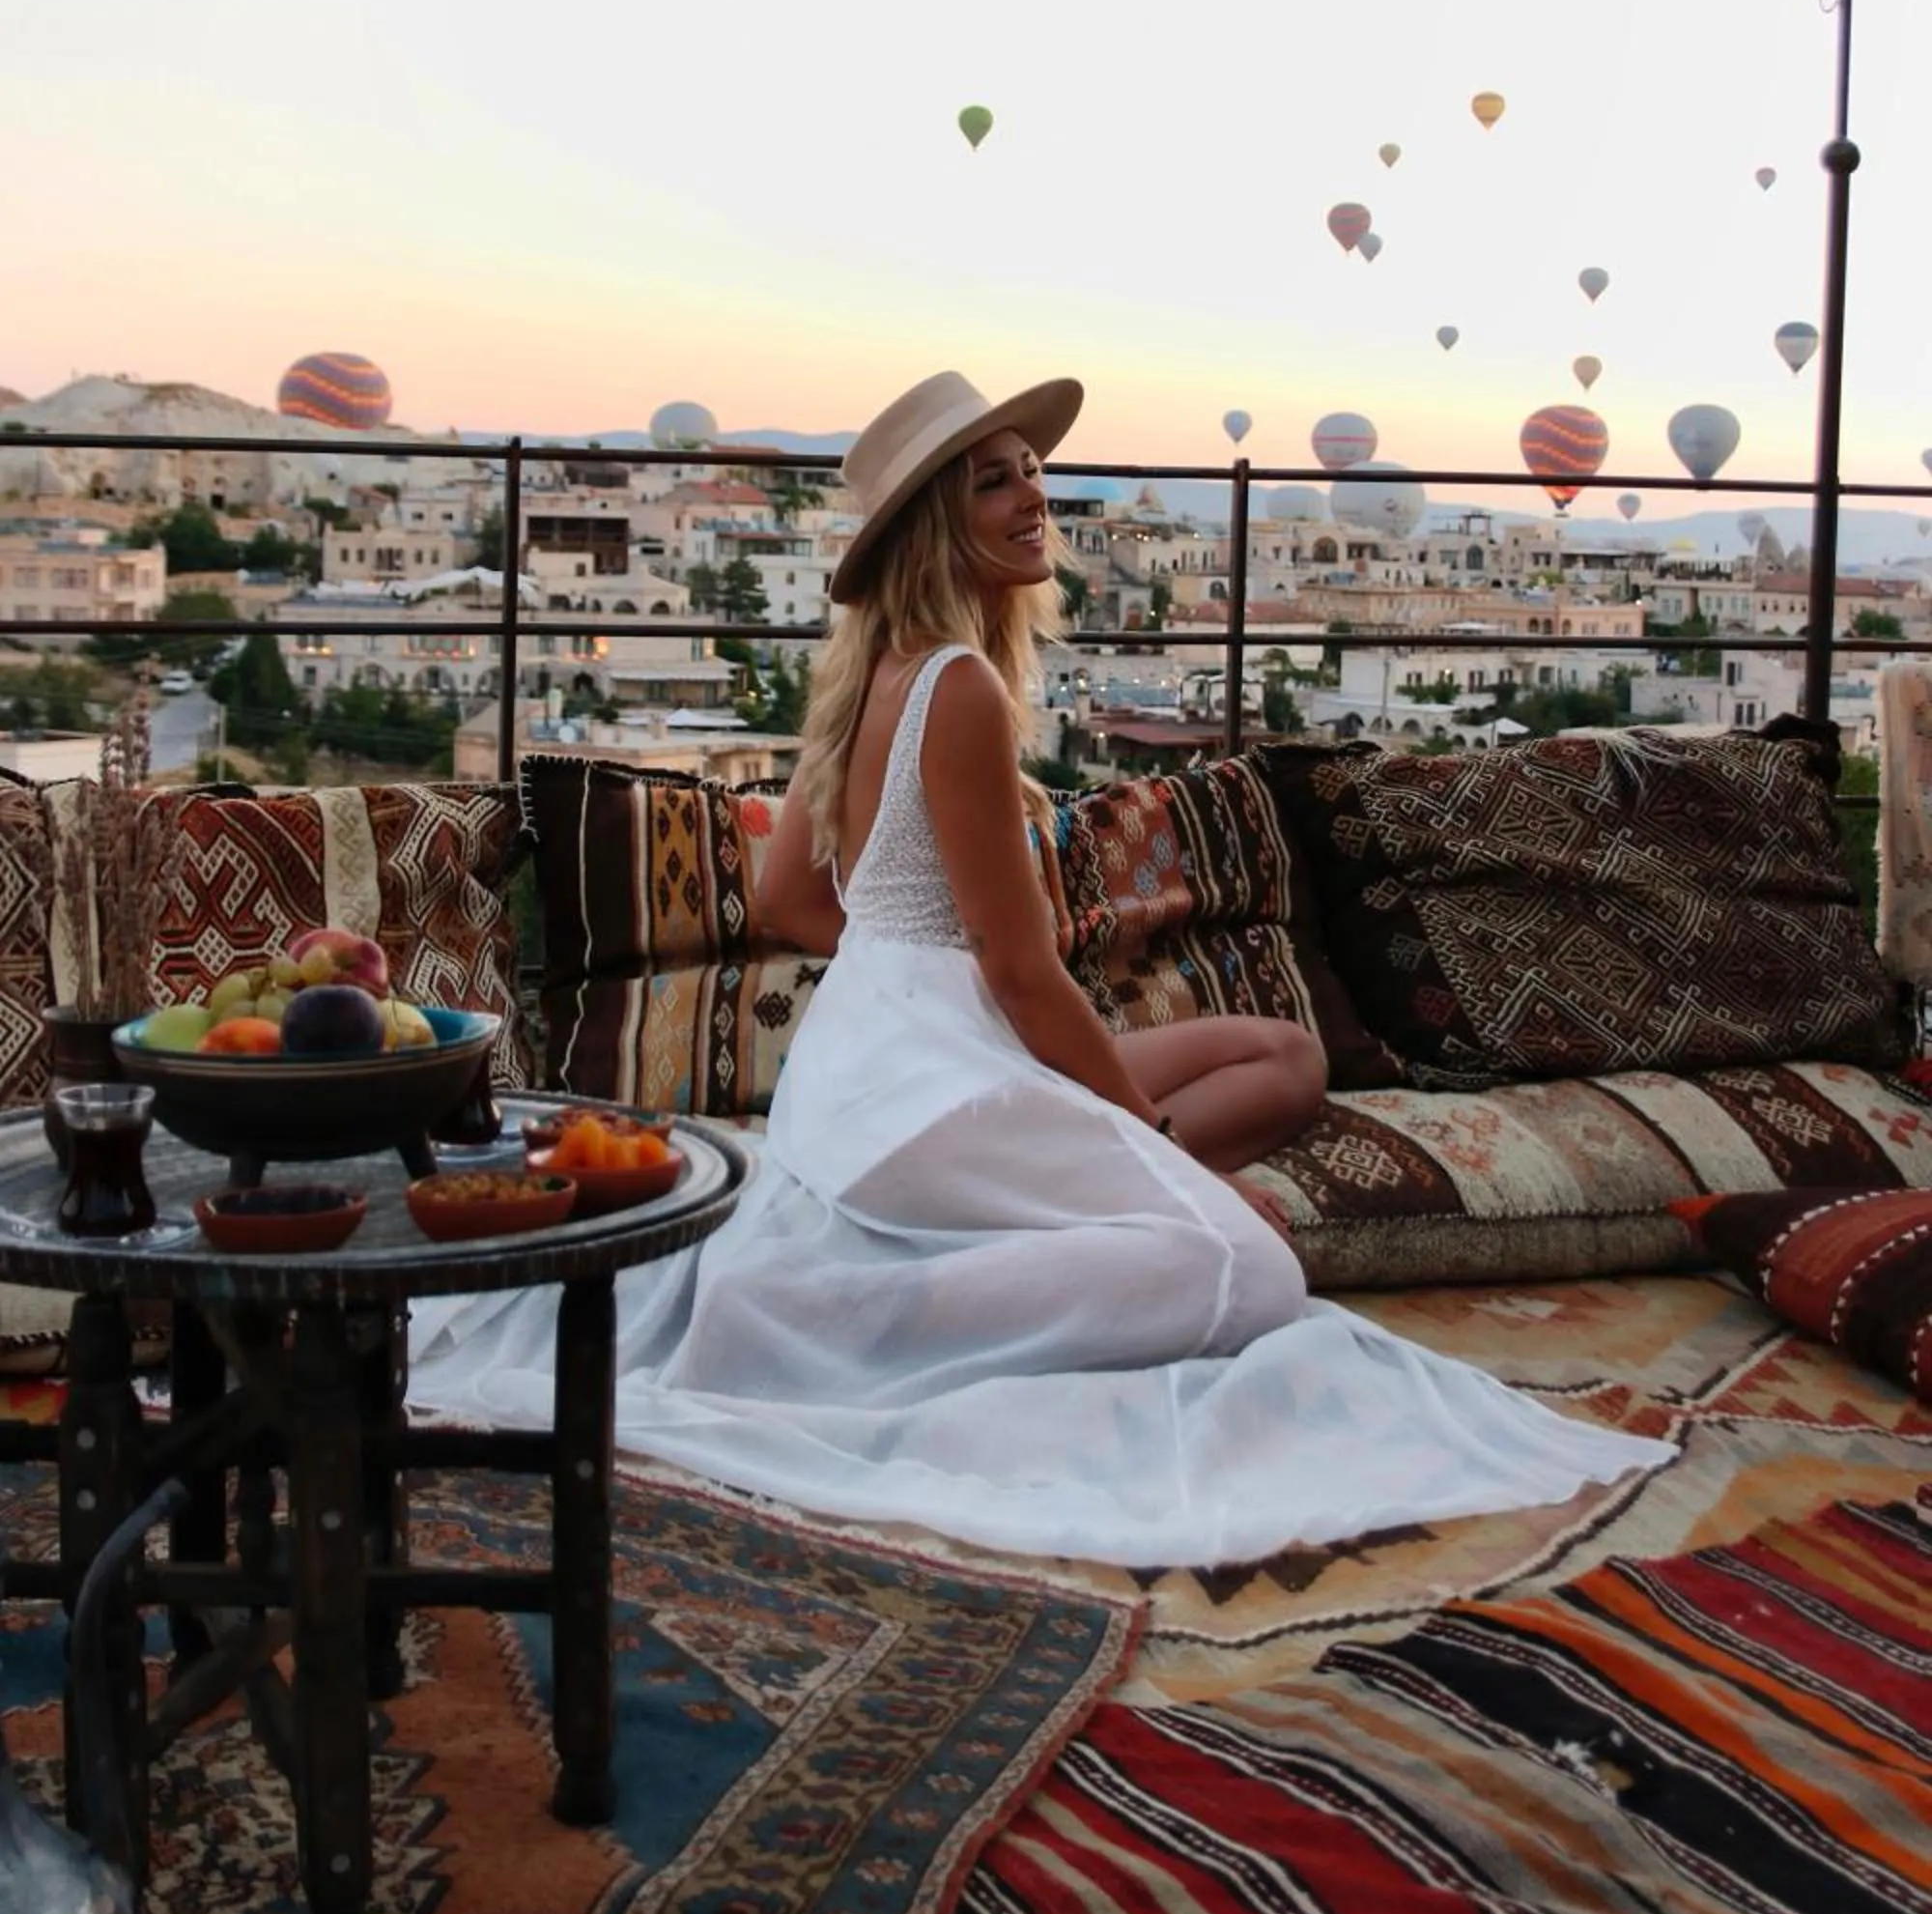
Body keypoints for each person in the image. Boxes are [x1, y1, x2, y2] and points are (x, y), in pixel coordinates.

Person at [409, 370, 1671, 1565]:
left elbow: (794, 900)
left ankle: (983, 1243)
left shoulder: (864, 679)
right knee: (1247, 1265)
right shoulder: (959, 688)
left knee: (1280, 1056)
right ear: (931, 526)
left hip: (879, 1060)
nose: (1033, 501)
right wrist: (1104, 1124)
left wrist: (907, 981)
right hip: (934, 1070)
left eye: (1031, 473)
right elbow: (1021, 973)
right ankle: (853, 1315)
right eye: (994, 483)